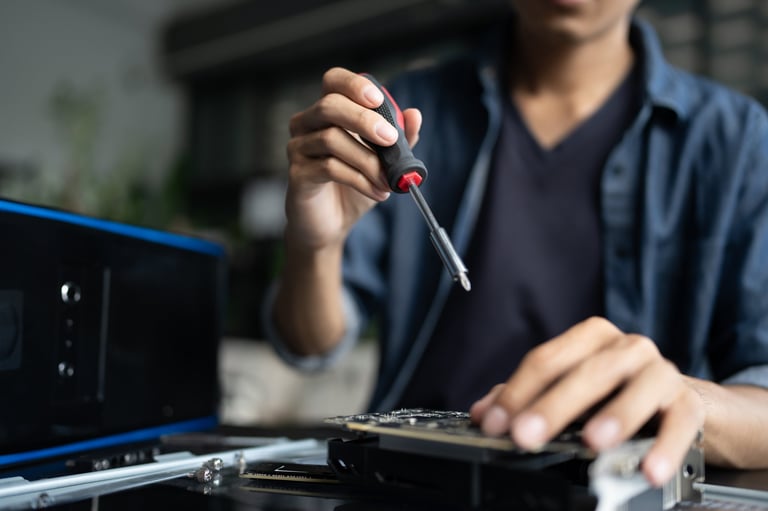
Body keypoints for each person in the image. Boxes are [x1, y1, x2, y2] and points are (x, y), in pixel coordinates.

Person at [265, 0, 768, 487]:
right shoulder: (408, 117)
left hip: (612, 486)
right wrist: (317, 245)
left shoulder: (734, 141)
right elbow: (309, 345)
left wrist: (687, 402)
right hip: (406, 479)